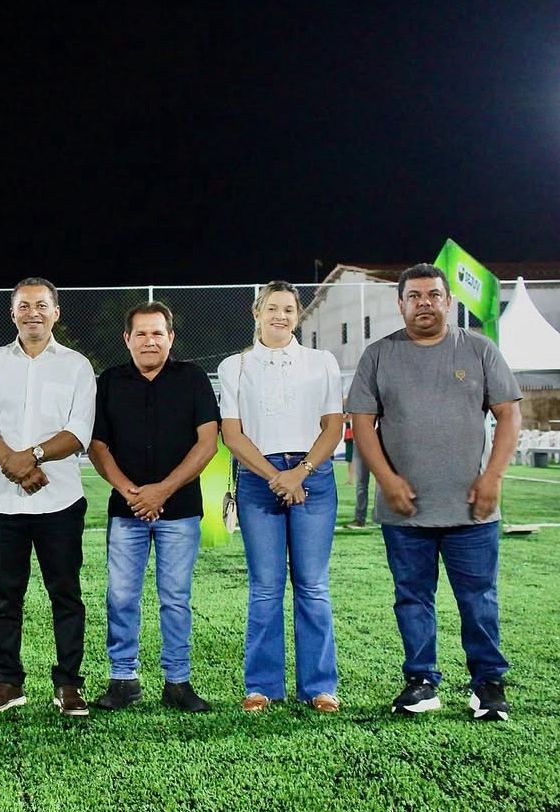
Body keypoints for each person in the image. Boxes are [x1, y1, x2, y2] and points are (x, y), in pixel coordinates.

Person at [349, 263, 522, 722]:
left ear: (449, 301)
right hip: (405, 510)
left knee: (479, 599)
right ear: (400, 303)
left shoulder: (480, 350)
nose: (424, 303)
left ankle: (488, 685)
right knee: (412, 598)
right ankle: (421, 681)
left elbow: (508, 415)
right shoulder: (378, 355)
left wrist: (493, 477)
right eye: (414, 296)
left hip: (471, 508)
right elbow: (362, 424)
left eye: (433, 295)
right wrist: (388, 480)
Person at [0, 278, 96, 718]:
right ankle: (8, 682)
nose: (32, 313)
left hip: (60, 500)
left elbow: (79, 430)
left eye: (41, 305)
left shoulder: (77, 365)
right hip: (3, 502)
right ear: (12, 313)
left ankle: (69, 684)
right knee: (6, 595)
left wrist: (33, 456)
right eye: (24, 306)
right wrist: (15, 464)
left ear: (56, 312)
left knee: (66, 594)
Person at [219, 281, 343, 713]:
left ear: (297, 315)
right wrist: (277, 477)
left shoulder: (322, 362)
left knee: (313, 585)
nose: (281, 316)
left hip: (313, 478)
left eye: (289, 309)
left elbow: (333, 426)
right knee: (266, 587)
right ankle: (262, 686)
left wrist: (300, 473)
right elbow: (232, 435)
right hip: (260, 480)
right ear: (256, 313)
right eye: (272, 308)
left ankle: (320, 687)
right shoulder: (234, 366)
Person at [89, 302, 219, 714]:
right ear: (127, 339)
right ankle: (123, 679)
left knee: (175, 598)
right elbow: (97, 445)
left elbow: (207, 443)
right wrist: (132, 492)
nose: (150, 341)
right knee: (121, 596)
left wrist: (162, 490)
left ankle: (177, 682)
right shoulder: (110, 382)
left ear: (171, 337)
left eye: (158, 333)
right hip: (125, 510)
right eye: (141, 334)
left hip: (180, 510)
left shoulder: (192, 378)